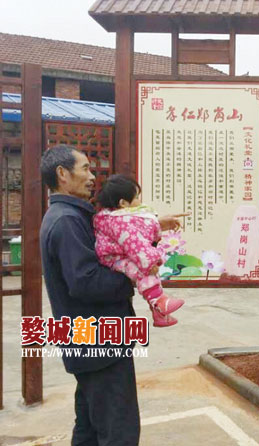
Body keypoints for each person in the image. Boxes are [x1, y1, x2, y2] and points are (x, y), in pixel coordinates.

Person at [39, 145, 185, 445]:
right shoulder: (67, 221)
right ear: (63, 174)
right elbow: (86, 282)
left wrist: (153, 224)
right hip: (100, 345)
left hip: (91, 344)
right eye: (85, 169)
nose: (92, 176)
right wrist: (135, 276)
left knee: (90, 428)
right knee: (119, 431)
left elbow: (117, 234)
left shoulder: (71, 215)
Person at [94, 175, 185, 327]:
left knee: (149, 275)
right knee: (144, 273)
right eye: (136, 197)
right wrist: (150, 262)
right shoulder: (119, 221)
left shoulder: (117, 217)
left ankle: (159, 313)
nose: (139, 200)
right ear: (123, 203)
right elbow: (135, 243)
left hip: (122, 255)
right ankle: (159, 302)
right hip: (116, 259)